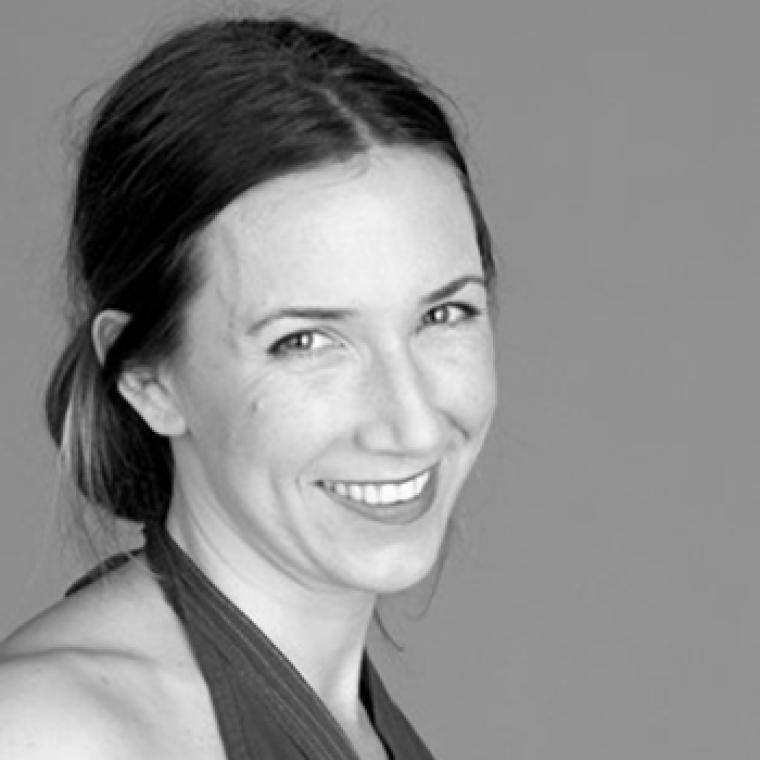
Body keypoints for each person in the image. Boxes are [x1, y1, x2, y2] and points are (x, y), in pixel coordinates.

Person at [0, 14, 496, 760]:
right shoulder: (51, 734)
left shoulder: (360, 725)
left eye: (444, 313)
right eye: (305, 341)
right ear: (147, 376)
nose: (414, 425)